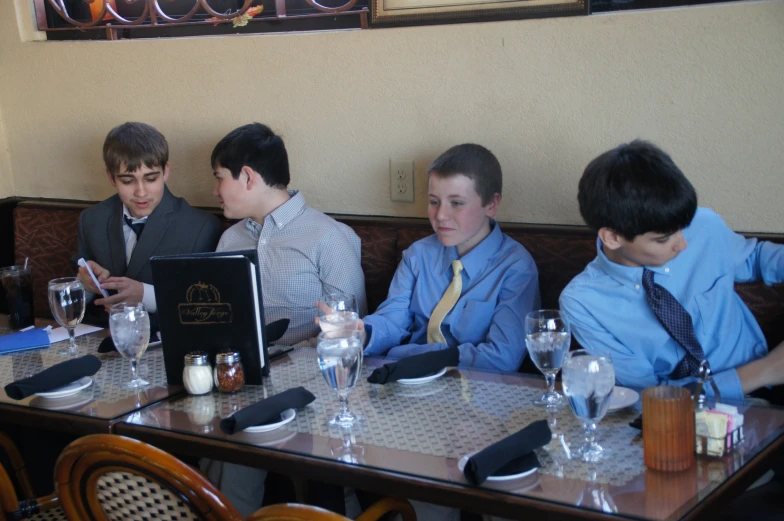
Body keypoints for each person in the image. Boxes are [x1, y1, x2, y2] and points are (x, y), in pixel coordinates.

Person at [202, 122, 366, 516]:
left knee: (237, 437)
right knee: (213, 443)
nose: (214, 190)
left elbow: (348, 334)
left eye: (219, 178)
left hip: (312, 382)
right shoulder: (230, 239)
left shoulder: (328, 237)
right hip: (242, 376)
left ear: (248, 177)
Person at [560, 140, 784, 403]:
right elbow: (647, 398)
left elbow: (756, 258)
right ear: (612, 238)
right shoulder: (582, 303)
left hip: (770, 395)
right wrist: (765, 371)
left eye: (683, 228)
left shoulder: (704, 226)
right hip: (684, 415)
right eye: (664, 238)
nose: (683, 244)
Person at [361, 143, 540, 372]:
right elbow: (392, 319)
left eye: (456, 203)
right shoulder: (418, 255)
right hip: (404, 380)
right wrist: (361, 333)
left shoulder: (516, 267)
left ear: (492, 205)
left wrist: (411, 355)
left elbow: (502, 357)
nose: (441, 215)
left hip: (475, 392)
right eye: (434, 202)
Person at [73, 122, 222, 324]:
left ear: (165, 171)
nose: (141, 192)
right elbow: (74, 302)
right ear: (110, 177)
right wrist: (85, 285)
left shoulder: (201, 227)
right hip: (103, 336)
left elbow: (208, 306)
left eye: (151, 179)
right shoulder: (91, 220)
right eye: (127, 181)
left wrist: (146, 296)